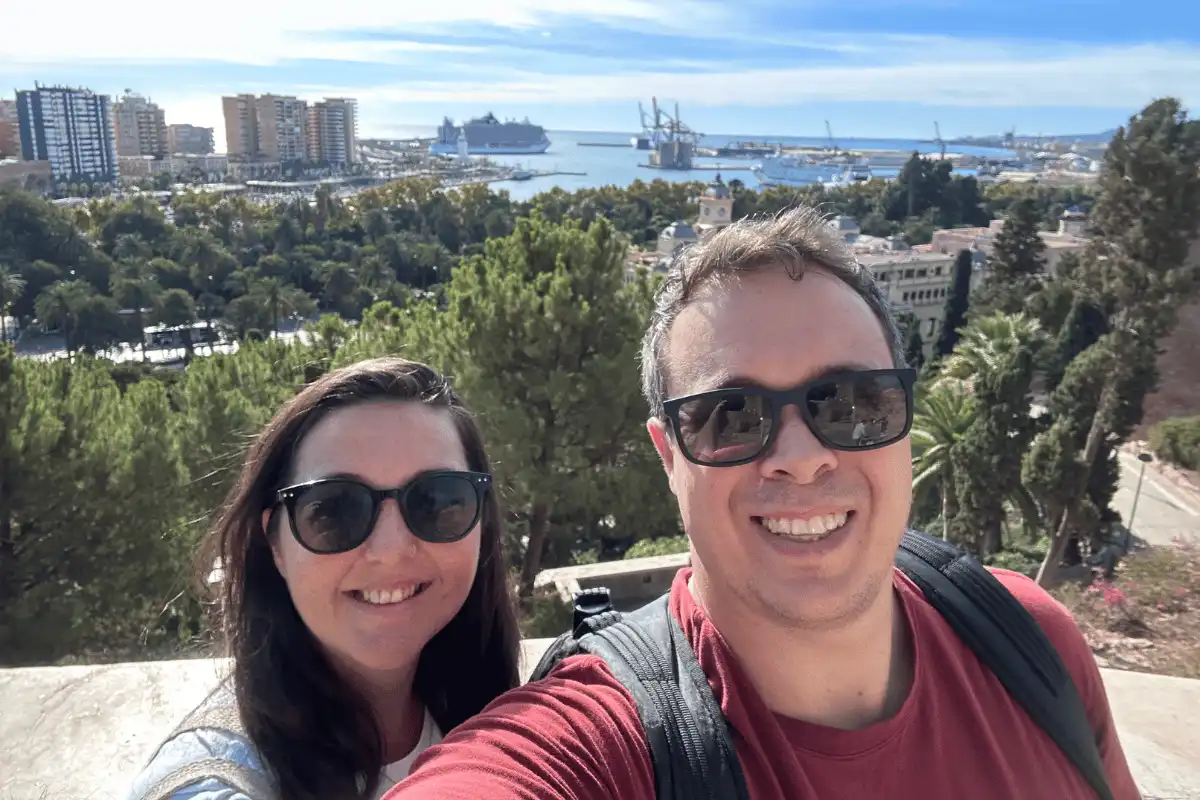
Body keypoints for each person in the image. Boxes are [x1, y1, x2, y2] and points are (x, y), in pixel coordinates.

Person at [385, 207, 1141, 799]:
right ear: (667, 457)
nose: (803, 456)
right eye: (731, 417)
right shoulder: (598, 744)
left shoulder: (1029, 640)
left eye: (850, 404)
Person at [127, 357, 521, 800]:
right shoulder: (213, 782)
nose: (391, 549)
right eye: (334, 509)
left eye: (439, 500)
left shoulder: (487, 710)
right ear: (275, 544)